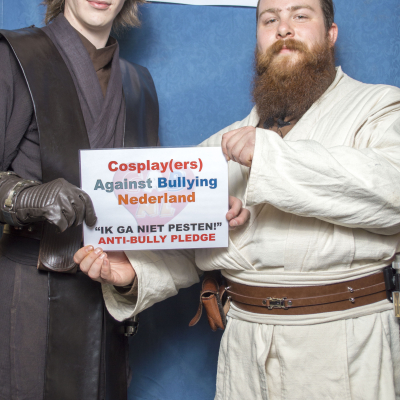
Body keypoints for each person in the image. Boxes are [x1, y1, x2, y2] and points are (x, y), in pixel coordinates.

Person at [75, 0, 400, 398]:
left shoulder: (379, 109)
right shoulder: (225, 145)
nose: (283, 28)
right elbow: (191, 240)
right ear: (259, 41)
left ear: (331, 35)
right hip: (244, 351)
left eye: (300, 15)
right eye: (269, 19)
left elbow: (392, 189)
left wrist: (268, 157)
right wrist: (134, 273)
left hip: (345, 346)